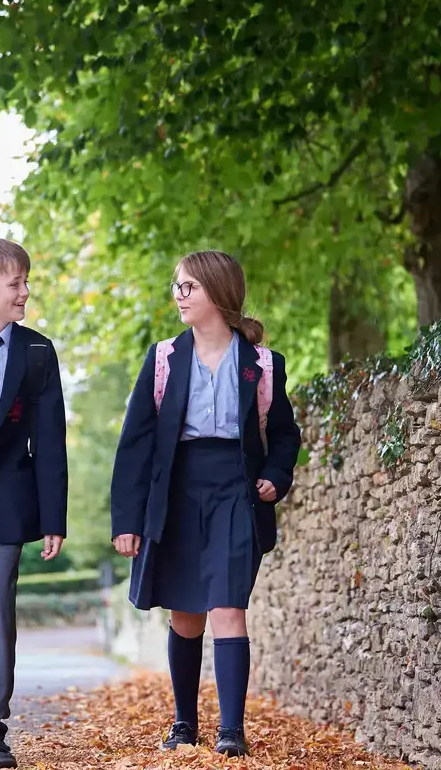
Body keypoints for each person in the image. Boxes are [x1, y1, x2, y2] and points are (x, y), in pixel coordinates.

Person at [111, 250, 300, 758]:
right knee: (186, 615)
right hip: (176, 491)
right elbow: (136, 443)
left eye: (189, 286)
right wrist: (128, 520)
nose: (179, 295)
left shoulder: (262, 365)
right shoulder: (163, 360)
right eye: (177, 286)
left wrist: (275, 477)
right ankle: (184, 723)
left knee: (228, 607)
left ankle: (232, 731)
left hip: (235, 493)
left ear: (217, 292)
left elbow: (284, 436)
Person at [0, 234, 68, 770]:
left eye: (26, 282)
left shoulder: (38, 352)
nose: (26, 291)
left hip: (6, 503)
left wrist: (53, 516)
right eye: (15, 283)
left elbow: (49, 440)